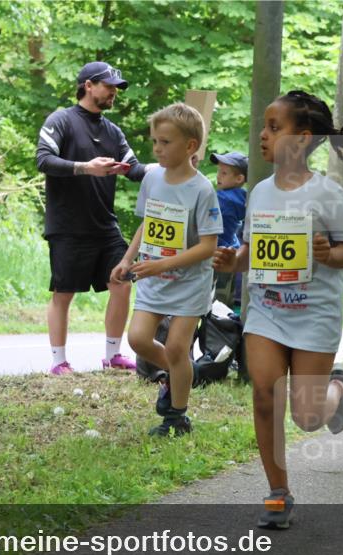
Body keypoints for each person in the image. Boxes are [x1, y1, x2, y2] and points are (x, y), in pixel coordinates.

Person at [212, 90, 343, 528]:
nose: (263, 135)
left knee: (308, 418)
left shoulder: (327, 194)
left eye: (274, 127)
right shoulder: (260, 193)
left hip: (314, 315)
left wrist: (330, 253)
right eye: (264, 127)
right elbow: (251, 250)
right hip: (267, 313)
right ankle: (278, 493)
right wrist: (233, 260)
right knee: (264, 394)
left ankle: (338, 387)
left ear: (303, 138)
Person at [110, 103, 222, 436]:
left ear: (190, 146)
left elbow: (208, 246)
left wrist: (162, 264)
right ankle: (181, 374)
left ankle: (177, 416)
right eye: (155, 141)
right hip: (152, 279)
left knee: (176, 348)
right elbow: (148, 223)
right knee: (138, 339)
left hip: (189, 284)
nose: (157, 148)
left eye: (165, 142)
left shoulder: (202, 190)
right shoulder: (152, 178)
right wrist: (127, 259)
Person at [36, 61, 150, 375]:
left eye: (117, 88)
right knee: (64, 294)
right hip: (68, 227)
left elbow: (135, 170)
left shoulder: (113, 131)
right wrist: (86, 167)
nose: (114, 92)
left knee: (122, 281)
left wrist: (169, 165)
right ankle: (59, 362)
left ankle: (113, 356)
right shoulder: (61, 120)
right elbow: (43, 160)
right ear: (89, 85)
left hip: (105, 226)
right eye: (109, 85)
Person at [210, 151, 248, 308]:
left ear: (239, 179)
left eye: (224, 173)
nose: (219, 176)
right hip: (231, 251)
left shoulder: (223, 198)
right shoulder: (244, 197)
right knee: (223, 304)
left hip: (216, 255)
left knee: (214, 305)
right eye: (219, 171)